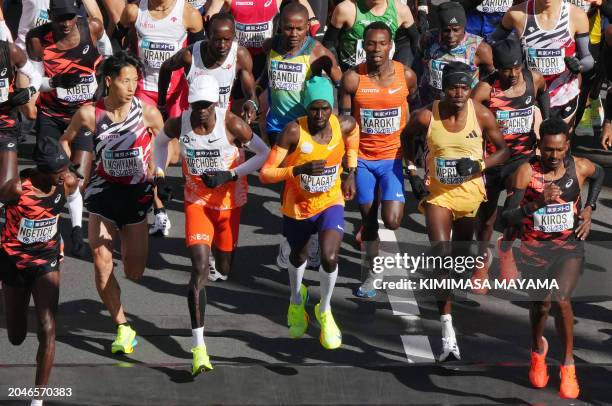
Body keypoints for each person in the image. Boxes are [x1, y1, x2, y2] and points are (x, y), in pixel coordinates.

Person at [153, 75, 269, 374]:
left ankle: (222, 261)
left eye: (206, 105)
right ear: (190, 103)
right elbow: (160, 143)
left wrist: (230, 175)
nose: (201, 110)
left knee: (224, 269)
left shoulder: (231, 124)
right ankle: (199, 348)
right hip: (198, 203)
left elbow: (263, 154)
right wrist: (160, 173)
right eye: (196, 105)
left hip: (229, 204)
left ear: (215, 103)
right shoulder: (180, 123)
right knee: (198, 270)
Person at [402, 62, 509, 361]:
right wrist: (412, 170)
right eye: (453, 87)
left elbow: (504, 151)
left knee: (460, 258)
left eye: (464, 87)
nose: (459, 93)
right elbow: (405, 139)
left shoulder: (483, 115)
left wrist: (478, 166)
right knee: (441, 255)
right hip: (439, 196)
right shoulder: (426, 116)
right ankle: (447, 333)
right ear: (444, 88)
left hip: (470, 196)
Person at [59, 51, 164, 355]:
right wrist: (72, 168)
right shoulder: (91, 114)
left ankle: (126, 260)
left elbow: (166, 143)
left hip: (136, 197)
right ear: (109, 81)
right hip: (102, 195)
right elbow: (66, 139)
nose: (132, 86)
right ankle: (122, 326)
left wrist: (156, 171)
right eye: (125, 80)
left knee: (134, 272)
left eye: (135, 80)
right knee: (101, 263)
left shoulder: (147, 112)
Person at [501, 117, 604, 399]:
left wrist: (590, 209)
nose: (554, 156)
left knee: (560, 299)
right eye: (548, 150)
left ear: (567, 146)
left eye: (559, 150)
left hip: (568, 247)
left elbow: (600, 174)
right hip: (533, 251)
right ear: (539, 147)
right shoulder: (526, 172)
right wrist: (537, 204)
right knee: (540, 306)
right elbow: (505, 217)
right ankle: (537, 350)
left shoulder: (579, 167)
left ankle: (568, 365)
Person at [260, 76, 359, 350]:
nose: (319, 114)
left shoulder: (343, 125)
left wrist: (351, 171)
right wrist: (297, 170)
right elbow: (266, 173)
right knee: (298, 255)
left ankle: (324, 310)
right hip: (298, 207)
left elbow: (354, 134)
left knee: (329, 256)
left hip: (330, 202)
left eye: (325, 108)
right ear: (306, 107)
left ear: (333, 108)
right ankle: (295, 299)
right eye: (314, 108)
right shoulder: (293, 132)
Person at [339, 21, 417, 297]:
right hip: (363, 159)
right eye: (370, 43)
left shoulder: (405, 75)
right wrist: (346, 169)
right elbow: (345, 124)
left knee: (393, 220)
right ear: (364, 46)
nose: (376, 49)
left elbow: (415, 117)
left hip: (393, 158)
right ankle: (373, 273)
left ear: (390, 45)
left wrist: (415, 160)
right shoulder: (353, 79)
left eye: (382, 43)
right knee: (370, 221)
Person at [261, 2, 342, 269]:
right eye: (288, 27)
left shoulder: (315, 49)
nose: (294, 33)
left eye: (299, 28)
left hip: (305, 128)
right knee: (288, 182)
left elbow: (337, 76)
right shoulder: (271, 46)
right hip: (276, 126)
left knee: (308, 180)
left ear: (308, 27)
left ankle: (312, 235)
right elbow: (266, 75)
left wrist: (328, 67)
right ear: (280, 25)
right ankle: (292, 238)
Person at [0, 137, 80, 406]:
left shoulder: (66, 182)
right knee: (16, 336)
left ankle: (38, 399)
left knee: (48, 327)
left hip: (46, 260)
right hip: (14, 262)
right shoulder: (17, 189)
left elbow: (74, 196)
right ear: (43, 171)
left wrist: (77, 229)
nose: (65, 175)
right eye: (59, 172)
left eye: (66, 169)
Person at [114, 0, 204, 237]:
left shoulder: (189, 14)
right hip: (144, 90)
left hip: (177, 93)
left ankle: (199, 207)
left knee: (178, 153)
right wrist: (122, 69)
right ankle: (160, 212)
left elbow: (200, 55)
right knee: (149, 151)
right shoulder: (135, 11)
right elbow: (115, 39)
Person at [469, 38, 549, 293]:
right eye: (506, 69)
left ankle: (506, 250)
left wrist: (545, 124)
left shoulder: (533, 79)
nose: (513, 74)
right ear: (496, 67)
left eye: (516, 68)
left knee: (515, 214)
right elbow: (468, 118)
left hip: (522, 161)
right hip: (493, 161)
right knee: (486, 219)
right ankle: (482, 261)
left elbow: (544, 91)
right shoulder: (485, 89)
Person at [26, 0, 105, 257]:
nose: (67, 23)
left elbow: (107, 50)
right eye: (61, 18)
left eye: (71, 17)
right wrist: (56, 81)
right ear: (50, 16)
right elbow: (37, 82)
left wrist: (105, 76)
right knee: (53, 179)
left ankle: (74, 234)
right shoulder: (37, 39)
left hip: (82, 116)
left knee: (76, 181)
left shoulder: (91, 27)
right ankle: (54, 235)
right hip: (50, 116)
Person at [493, 0, 594, 127]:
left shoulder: (576, 15)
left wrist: (579, 66)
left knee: (561, 144)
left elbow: (588, 58)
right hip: (532, 95)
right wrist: (511, 57)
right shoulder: (516, 13)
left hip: (564, 95)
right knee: (538, 143)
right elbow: (493, 43)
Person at [157, 13, 258, 125]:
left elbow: (251, 95)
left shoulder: (240, 56)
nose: (222, 45)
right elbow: (165, 68)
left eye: (227, 39)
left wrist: (251, 104)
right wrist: (161, 104)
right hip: (191, 120)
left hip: (221, 121)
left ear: (234, 36)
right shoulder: (190, 56)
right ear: (208, 35)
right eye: (217, 40)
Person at [204, 0, 320, 80]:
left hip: (267, 55)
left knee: (262, 100)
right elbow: (208, 24)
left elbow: (314, 25)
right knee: (238, 101)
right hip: (237, 57)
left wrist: (312, 22)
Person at [420, 1, 494, 106]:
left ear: (464, 27)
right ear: (439, 28)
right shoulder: (428, 40)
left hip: (464, 108)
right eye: (446, 30)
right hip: (433, 106)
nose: (451, 35)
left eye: (456, 30)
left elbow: (494, 77)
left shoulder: (479, 48)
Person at [323, 0, 419, 71]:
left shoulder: (401, 10)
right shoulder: (346, 9)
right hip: (350, 72)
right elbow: (328, 42)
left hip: (383, 74)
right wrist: (337, 71)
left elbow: (415, 40)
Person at [0, 39, 42, 200]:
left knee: (10, 190)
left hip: (5, 127)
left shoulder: (11, 51)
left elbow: (36, 77)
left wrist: (29, 91)